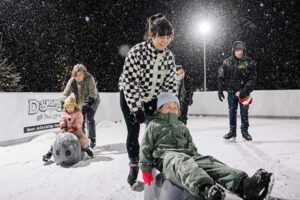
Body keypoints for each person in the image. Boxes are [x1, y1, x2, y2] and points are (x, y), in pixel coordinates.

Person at [139, 93, 274, 200]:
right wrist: (145, 169)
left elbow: (191, 145)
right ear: (159, 109)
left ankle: (245, 185)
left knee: (210, 162)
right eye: (168, 106)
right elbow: (145, 147)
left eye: (175, 107)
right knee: (181, 160)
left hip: (188, 155)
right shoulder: (154, 125)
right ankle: (205, 188)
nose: (172, 109)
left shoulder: (181, 126)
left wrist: (197, 158)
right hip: (166, 157)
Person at [118, 13, 178, 188]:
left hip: (153, 97)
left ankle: (156, 163)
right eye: (161, 37)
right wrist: (136, 108)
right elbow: (130, 82)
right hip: (130, 95)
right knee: (133, 130)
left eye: (168, 37)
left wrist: (170, 107)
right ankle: (134, 165)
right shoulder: (137, 51)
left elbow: (170, 85)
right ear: (152, 35)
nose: (165, 41)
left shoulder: (169, 57)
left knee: (157, 131)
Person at [218, 41, 257, 141]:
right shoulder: (227, 62)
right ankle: (232, 132)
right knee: (232, 111)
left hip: (245, 93)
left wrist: (243, 91)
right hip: (231, 92)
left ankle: (245, 132)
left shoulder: (249, 62)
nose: (240, 52)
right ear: (233, 51)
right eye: (237, 50)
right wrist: (220, 89)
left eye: (241, 50)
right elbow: (221, 76)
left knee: (244, 112)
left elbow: (252, 79)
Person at [43, 96, 93, 162]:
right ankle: (50, 152)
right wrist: (63, 127)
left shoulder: (78, 113)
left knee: (83, 139)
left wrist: (73, 129)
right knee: (57, 141)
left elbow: (78, 122)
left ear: (74, 106)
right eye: (67, 107)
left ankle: (86, 148)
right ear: (65, 107)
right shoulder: (64, 114)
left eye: (71, 106)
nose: (69, 108)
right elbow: (62, 121)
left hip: (76, 131)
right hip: (65, 132)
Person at [62, 64, 100, 148]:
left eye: (80, 74)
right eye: (76, 75)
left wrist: (88, 103)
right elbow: (65, 93)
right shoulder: (72, 81)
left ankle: (92, 137)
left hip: (93, 100)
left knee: (89, 117)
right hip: (80, 102)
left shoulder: (90, 78)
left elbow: (93, 93)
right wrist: (63, 101)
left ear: (84, 73)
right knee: (80, 120)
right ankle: (82, 139)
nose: (78, 77)